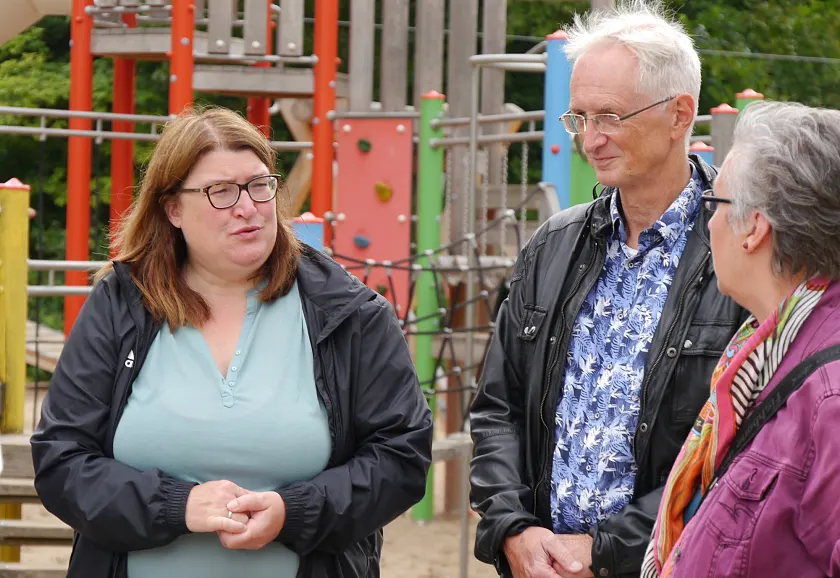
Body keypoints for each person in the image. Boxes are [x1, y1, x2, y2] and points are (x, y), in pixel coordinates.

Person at [30, 106, 433, 578]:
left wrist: (295, 511)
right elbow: (62, 460)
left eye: (259, 185)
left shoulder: (350, 313)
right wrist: (176, 505)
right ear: (173, 208)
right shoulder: (120, 305)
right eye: (220, 191)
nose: (247, 207)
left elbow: (401, 456)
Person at [468, 2, 747, 577]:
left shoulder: (744, 251)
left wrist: (604, 551)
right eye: (580, 118)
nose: (590, 138)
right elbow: (497, 408)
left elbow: (743, 446)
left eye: (610, 116)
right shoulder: (553, 245)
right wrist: (513, 531)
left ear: (680, 114)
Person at [641, 101, 840, 577]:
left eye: (715, 203)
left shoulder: (829, 396)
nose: (707, 223)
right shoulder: (764, 355)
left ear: (754, 227)